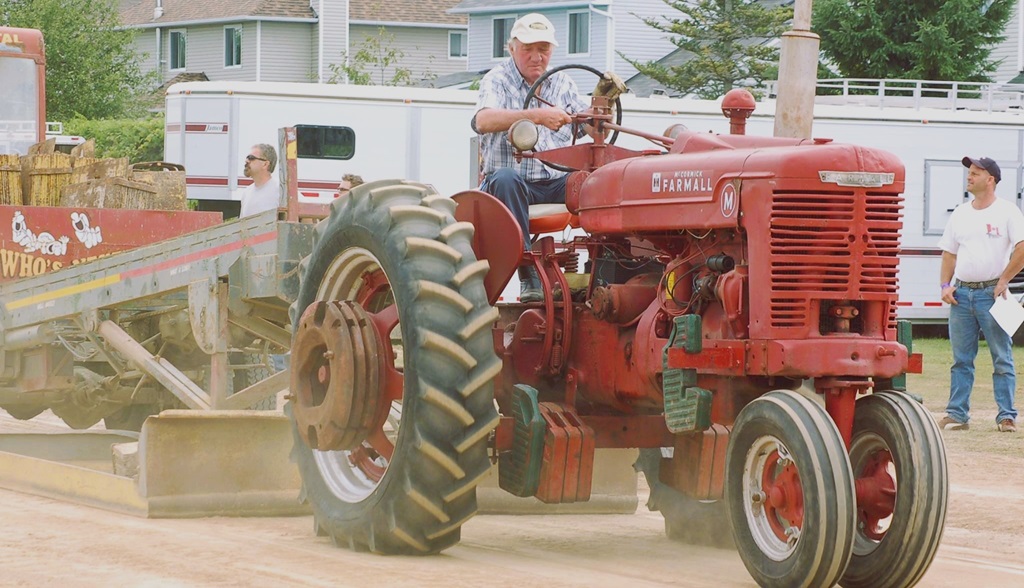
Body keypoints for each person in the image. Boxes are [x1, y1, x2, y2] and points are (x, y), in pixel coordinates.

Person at [472, 12, 624, 302]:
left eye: (542, 50)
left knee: (595, 182)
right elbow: (483, 120)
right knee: (507, 178)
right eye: (527, 49)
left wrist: (603, 105)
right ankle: (528, 273)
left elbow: (593, 128)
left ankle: (603, 272)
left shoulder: (562, 83)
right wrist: (537, 116)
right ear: (512, 49)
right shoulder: (498, 80)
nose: (535, 57)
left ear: (552, 51)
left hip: (552, 181)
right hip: (507, 186)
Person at [937, 156, 1024, 433]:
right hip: (961, 294)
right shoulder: (961, 213)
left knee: (1001, 357)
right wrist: (944, 286)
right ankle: (957, 414)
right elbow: (949, 253)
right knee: (961, 359)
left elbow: (1021, 249)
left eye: (976, 173)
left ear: (991, 179)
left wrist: (1003, 281)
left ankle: (1006, 415)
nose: (969, 176)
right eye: (969, 172)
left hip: (992, 295)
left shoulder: (1008, 212)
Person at [239, 143, 280, 217]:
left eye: (251, 158)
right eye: (247, 158)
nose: (246, 161)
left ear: (265, 164)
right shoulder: (246, 193)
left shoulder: (281, 190)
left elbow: (306, 214)